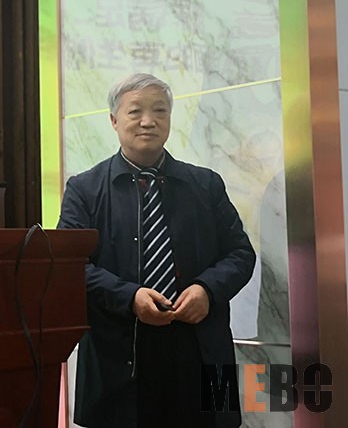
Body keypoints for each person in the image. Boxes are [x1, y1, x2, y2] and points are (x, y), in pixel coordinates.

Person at [58, 73, 255, 428]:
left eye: (160, 110)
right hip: (118, 357)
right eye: (135, 111)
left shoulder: (206, 184)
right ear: (114, 120)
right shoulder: (84, 189)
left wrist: (207, 290)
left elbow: (241, 253)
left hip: (203, 348)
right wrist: (129, 297)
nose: (148, 121)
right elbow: (68, 266)